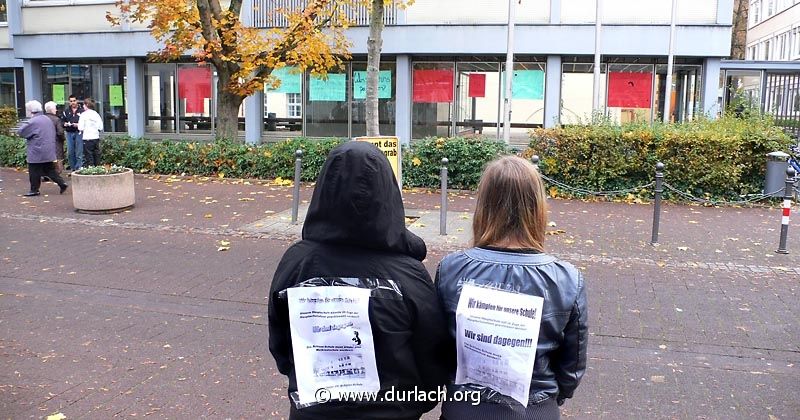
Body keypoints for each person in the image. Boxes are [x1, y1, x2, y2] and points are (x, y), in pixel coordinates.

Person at [268, 141, 453, 420]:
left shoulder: (296, 264)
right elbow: (433, 361)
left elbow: (281, 347)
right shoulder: (409, 276)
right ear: (388, 195)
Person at [436, 156, 588, 420]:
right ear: (537, 207)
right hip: (534, 409)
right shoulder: (566, 279)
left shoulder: (451, 269)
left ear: (484, 206)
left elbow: (439, 347)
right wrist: (551, 398)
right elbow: (572, 365)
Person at [17, 100, 68, 197]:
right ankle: (62, 183)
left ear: (31, 110)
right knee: (49, 170)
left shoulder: (33, 121)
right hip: (49, 149)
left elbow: (21, 132)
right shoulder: (47, 119)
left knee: (34, 171)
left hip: (37, 150)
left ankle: (34, 190)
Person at [78, 97, 103, 167]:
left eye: (84, 104)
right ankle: (98, 170)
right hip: (96, 137)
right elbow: (100, 127)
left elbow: (80, 127)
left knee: (89, 157)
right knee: (96, 156)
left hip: (87, 138)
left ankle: (91, 171)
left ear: (87, 105)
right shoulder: (96, 114)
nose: (83, 106)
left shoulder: (83, 115)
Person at [61, 95, 83, 170]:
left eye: (74, 101)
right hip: (69, 132)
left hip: (79, 132)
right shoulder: (66, 111)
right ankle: (73, 169)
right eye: (71, 101)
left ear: (77, 101)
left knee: (79, 151)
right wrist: (65, 124)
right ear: (69, 102)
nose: (73, 102)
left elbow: (85, 123)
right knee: (70, 152)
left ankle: (79, 168)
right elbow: (62, 121)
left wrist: (78, 125)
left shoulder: (82, 111)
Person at [44, 101, 66, 174]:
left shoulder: (42, 118)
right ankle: (56, 174)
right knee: (58, 159)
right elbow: (60, 132)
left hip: (45, 143)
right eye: (55, 108)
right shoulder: (57, 120)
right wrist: (63, 139)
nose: (56, 110)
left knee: (46, 158)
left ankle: (45, 174)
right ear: (52, 109)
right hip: (56, 142)